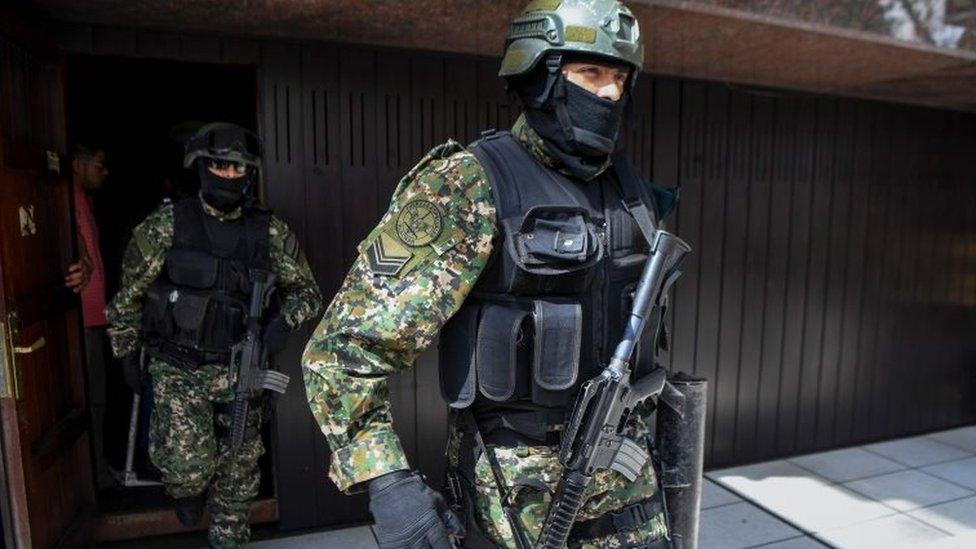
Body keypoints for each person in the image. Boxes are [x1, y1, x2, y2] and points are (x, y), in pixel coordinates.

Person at [302, 1, 678, 547]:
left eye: (620, 78)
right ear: (540, 76)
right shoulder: (470, 184)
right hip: (519, 501)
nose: (609, 94)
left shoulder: (630, 192)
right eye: (591, 73)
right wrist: (386, 480)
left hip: (628, 485)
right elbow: (342, 351)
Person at [106, 122, 323, 548]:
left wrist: (279, 325)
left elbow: (307, 293)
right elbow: (127, 297)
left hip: (241, 370)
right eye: (220, 167)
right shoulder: (166, 225)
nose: (228, 177)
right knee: (189, 467)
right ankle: (185, 488)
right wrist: (127, 354)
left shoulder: (270, 232)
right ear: (201, 167)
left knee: (238, 479)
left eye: (237, 170)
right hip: (178, 368)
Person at [64, 144, 112, 488]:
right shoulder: (65, 197)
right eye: (100, 164)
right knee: (90, 401)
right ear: (78, 164)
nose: (104, 171)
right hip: (79, 319)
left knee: (98, 398)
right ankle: (92, 480)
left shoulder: (84, 200)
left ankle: (97, 472)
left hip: (94, 317)